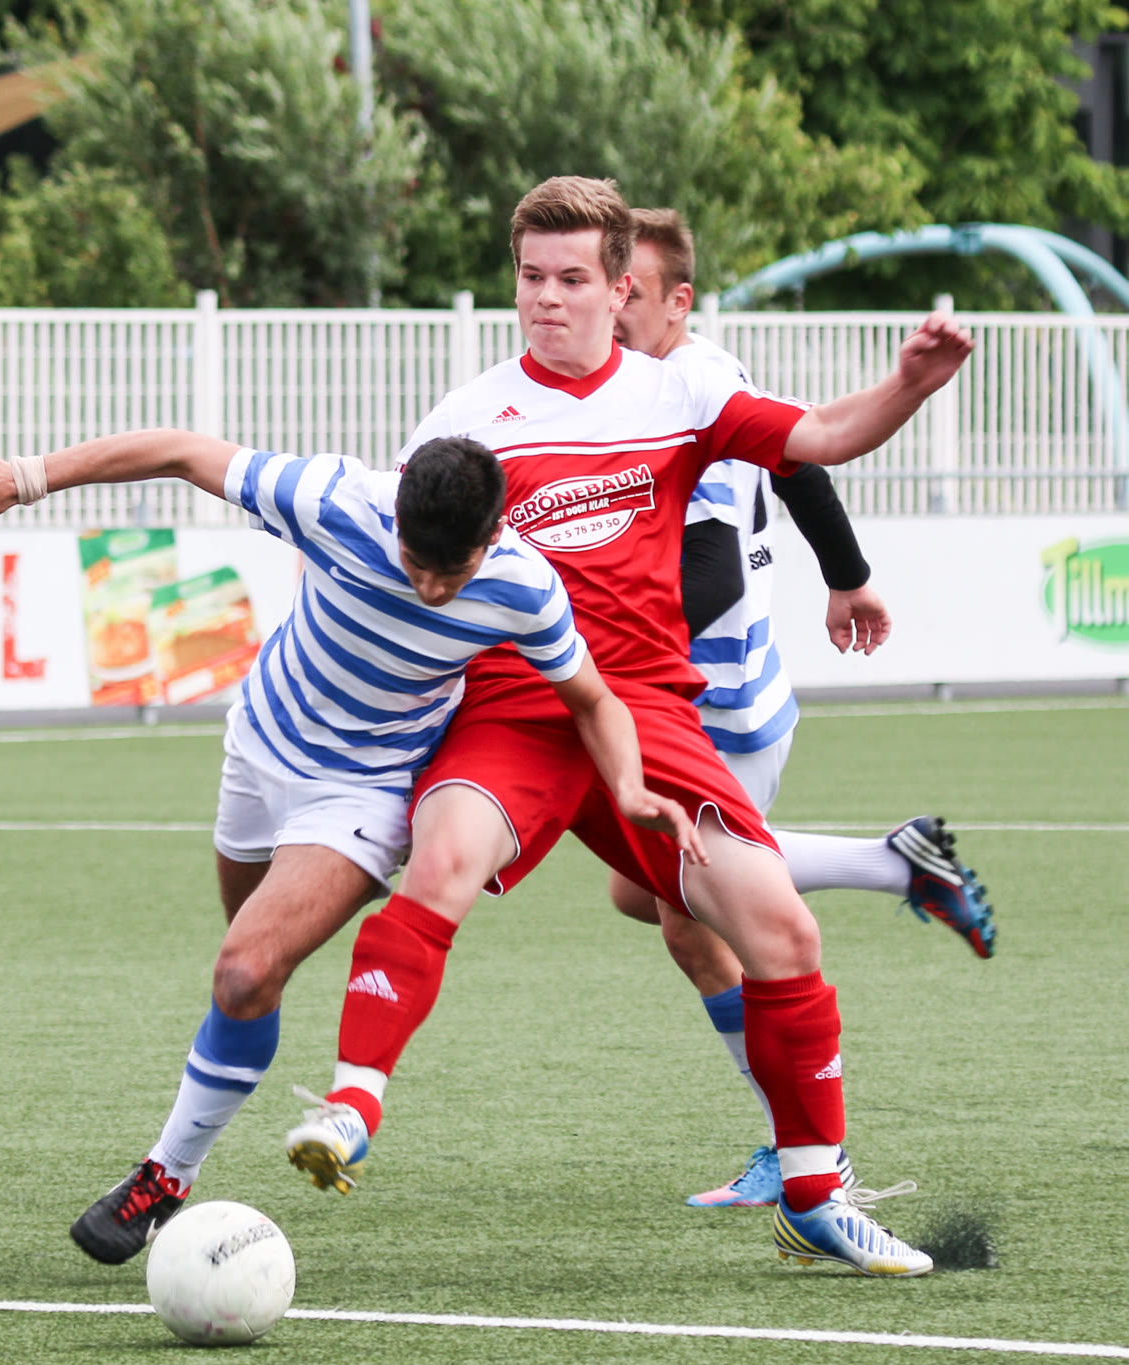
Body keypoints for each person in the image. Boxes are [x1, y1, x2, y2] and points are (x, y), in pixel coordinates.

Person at [289, 176, 974, 1278]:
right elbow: (395, 545)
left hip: (647, 713)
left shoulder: (680, 393)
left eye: (571, 279)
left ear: (621, 289)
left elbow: (820, 437)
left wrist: (908, 384)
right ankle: (349, 1108)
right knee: (443, 860)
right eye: (530, 277)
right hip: (514, 705)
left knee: (782, 934)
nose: (545, 299)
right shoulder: (467, 418)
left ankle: (812, 1193)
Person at [0, 423, 703, 1267]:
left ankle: (165, 1174)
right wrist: (24, 477)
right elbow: (181, 451)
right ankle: (228, 1069)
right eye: (415, 562)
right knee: (247, 979)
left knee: (245, 970)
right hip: (258, 748)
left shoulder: (524, 585)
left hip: (362, 791)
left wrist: (627, 786)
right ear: (396, 518)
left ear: (492, 536)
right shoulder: (334, 501)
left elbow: (593, 699)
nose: (432, 588)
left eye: (453, 571)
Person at [608, 209, 997, 1210]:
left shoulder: (679, 391)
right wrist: (847, 574)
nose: (610, 307)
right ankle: (893, 866)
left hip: (710, 702)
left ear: (677, 301)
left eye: (628, 291)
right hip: (711, 696)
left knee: (695, 915)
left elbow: (704, 566)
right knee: (644, 891)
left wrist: (585, 628)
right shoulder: (670, 379)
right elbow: (795, 461)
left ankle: (803, 1150)